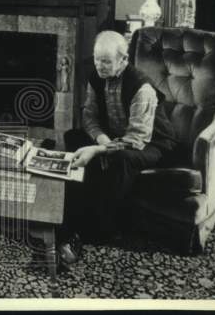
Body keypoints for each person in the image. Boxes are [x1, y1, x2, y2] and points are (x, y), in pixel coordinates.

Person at [57, 30, 176, 263]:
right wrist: (102, 140)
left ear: (123, 59)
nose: (100, 66)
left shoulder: (142, 88)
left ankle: (94, 230)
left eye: (107, 61)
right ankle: (67, 214)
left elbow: (137, 138)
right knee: (73, 137)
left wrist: (100, 150)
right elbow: (89, 117)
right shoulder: (95, 78)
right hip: (112, 137)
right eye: (97, 59)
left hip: (152, 143)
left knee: (119, 159)